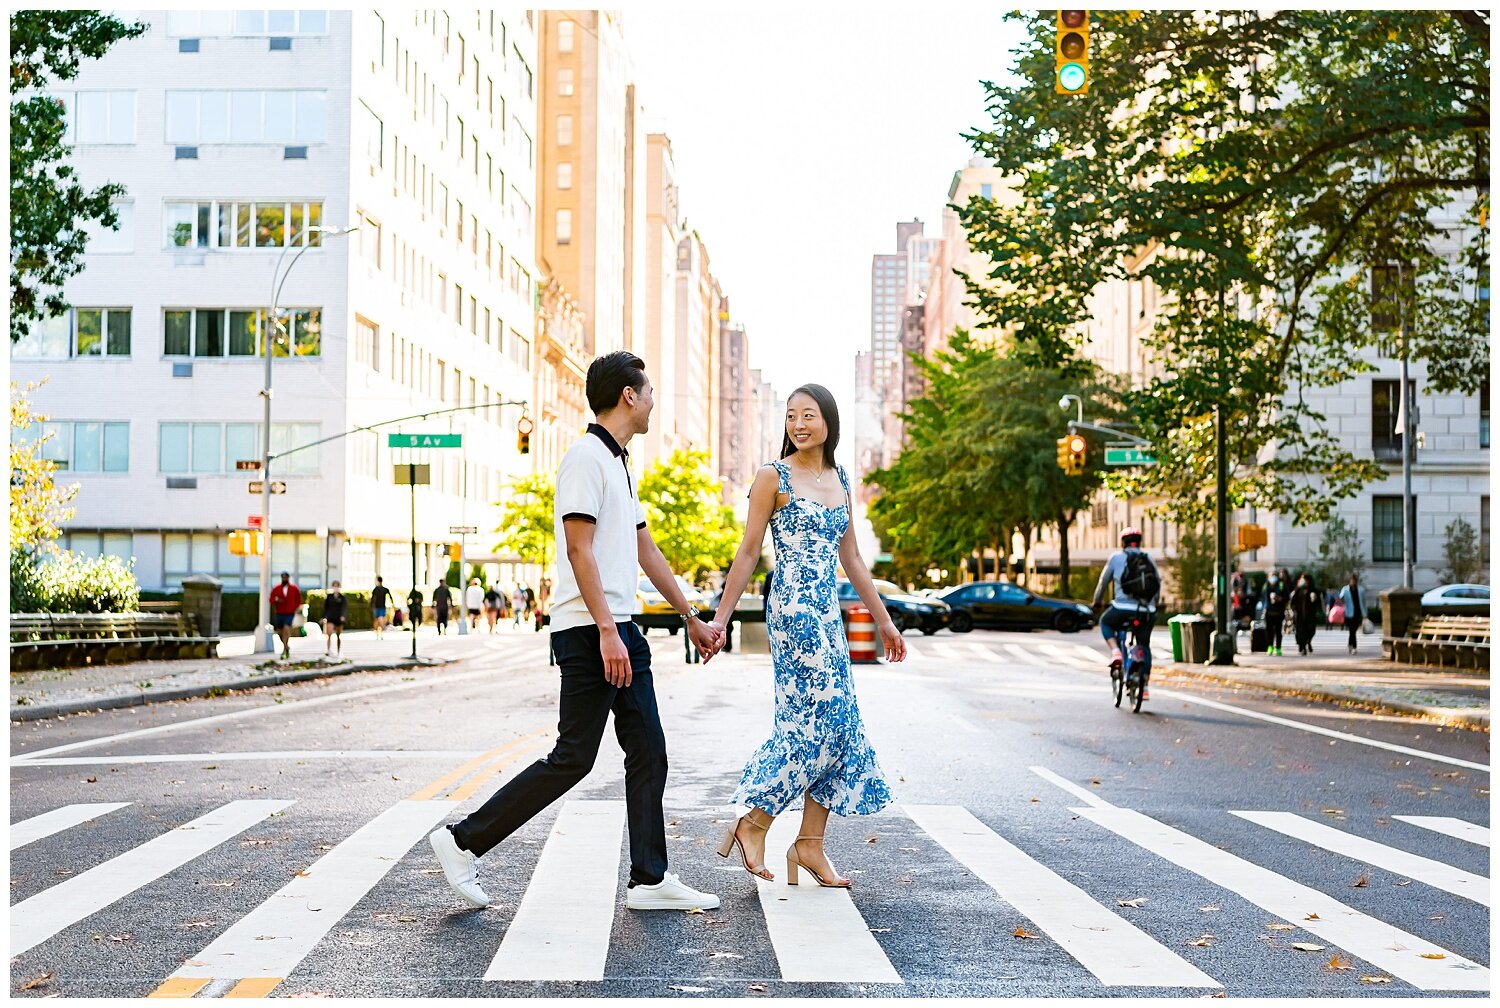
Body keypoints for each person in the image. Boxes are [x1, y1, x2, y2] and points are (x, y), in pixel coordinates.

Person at [428, 350, 724, 912]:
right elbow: (578, 548)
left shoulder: (619, 462)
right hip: (593, 631)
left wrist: (691, 616)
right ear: (628, 396)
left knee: (648, 750)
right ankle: (463, 840)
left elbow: (644, 549)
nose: (655, 402)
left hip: (617, 627)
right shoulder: (586, 459)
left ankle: (650, 879)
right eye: (650, 391)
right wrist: (608, 631)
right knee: (574, 758)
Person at [710, 384, 901, 889]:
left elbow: (853, 558)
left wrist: (883, 620)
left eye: (809, 415)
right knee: (812, 726)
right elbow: (748, 552)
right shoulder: (773, 476)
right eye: (791, 415)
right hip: (794, 610)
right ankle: (755, 822)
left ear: (828, 422)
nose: (798, 423)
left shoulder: (839, 478)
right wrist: (722, 618)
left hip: (828, 614)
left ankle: (809, 844)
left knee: (840, 725)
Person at [1092, 527, 1160, 700]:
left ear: (1123, 543)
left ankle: (1116, 651)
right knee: (1144, 644)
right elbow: (1157, 584)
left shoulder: (1116, 558)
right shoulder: (1149, 558)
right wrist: (1154, 606)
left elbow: (1103, 582)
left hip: (1121, 608)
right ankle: (1144, 686)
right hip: (1146, 611)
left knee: (1105, 622)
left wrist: (1097, 601)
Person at [269, 572, 303, 661]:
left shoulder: (294, 588)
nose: (284, 579)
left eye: (286, 577)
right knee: (279, 632)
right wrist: (276, 600)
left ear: (288, 578)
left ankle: (284, 651)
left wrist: (294, 608)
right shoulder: (276, 588)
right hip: (279, 613)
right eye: (283, 577)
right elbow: (271, 599)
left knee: (286, 629)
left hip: (289, 613)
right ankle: (286, 646)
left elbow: (298, 600)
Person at [1289, 572, 1321, 656]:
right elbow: (1293, 602)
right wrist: (1294, 610)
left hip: (1310, 615)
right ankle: (1302, 646)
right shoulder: (1298, 590)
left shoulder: (1313, 591)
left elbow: (1318, 603)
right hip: (1300, 615)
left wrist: (1314, 602)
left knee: (1311, 631)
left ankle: (1308, 642)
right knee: (1300, 632)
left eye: (1305, 580)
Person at [1337, 573, 1367, 654]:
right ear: (1349, 581)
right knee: (1352, 631)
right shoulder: (1345, 589)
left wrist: (1365, 614)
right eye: (1351, 580)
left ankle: (1350, 644)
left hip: (1358, 613)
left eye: (1354, 580)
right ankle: (1354, 647)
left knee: (1353, 630)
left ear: (1356, 581)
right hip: (1348, 613)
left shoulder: (1361, 590)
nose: (1353, 582)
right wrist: (1341, 598)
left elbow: (1364, 602)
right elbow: (1340, 599)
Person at [1263, 572, 1288, 656]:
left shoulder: (1281, 585)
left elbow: (1287, 597)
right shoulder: (1266, 585)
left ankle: (1278, 648)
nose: (1273, 578)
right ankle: (1270, 647)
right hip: (1269, 612)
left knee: (1278, 631)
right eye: (1271, 576)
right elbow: (1263, 596)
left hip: (1279, 612)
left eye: (1274, 575)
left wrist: (1280, 598)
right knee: (1269, 631)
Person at [322, 580, 347, 656]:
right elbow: (326, 608)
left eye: (337, 586)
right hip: (330, 617)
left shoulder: (342, 598)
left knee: (338, 635)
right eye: (334, 586)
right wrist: (324, 617)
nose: (335, 588)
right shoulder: (329, 597)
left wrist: (343, 616)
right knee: (329, 633)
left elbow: (344, 608)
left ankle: (338, 651)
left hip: (338, 618)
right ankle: (328, 650)